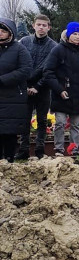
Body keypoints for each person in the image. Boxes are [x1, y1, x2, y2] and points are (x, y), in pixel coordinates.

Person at [43, 22, 79, 155]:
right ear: (68, 35)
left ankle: (74, 149)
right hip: (61, 94)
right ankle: (59, 148)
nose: (77, 37)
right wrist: (59, 89)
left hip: (78, 95)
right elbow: (48, 72)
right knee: (59, 123)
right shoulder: (58, 50)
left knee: (76, 125)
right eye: (74, 34)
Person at [17, 14, 56, 159]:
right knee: (24, 120)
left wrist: (38, 87)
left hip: (43, 89)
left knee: (42, 120)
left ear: (48, 28)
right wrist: (25, 85)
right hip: (25, 87)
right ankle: (23, 150)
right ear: (33, 26)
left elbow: (50, 70)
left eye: (44, 25)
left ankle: (40, 149)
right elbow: (19, 64)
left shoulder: (53, 46)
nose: (41, 27)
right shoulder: (24, 42)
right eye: (38, 24)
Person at [0, 18, 33, 162]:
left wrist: (3, 79)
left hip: (12, 97)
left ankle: (9, 158)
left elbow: (26, 69)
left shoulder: (19, 49)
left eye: (3, 31)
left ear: (10, 33)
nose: (0, 34)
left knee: (9, 132)